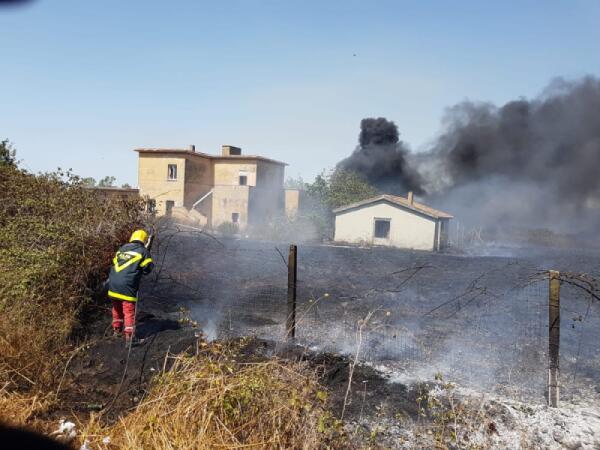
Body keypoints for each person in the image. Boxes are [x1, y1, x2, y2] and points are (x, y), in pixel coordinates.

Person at [108, 229, 154, 345]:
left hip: (113, 284)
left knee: (116, 308)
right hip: (127, 286)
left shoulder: (122, 249)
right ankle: (130, 338)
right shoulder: (143, 252)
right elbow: (148, 269)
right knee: (128, 311)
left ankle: (116, 330)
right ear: (144, 240)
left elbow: (115, 262)